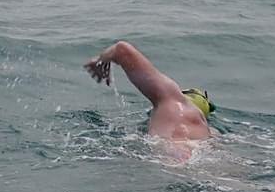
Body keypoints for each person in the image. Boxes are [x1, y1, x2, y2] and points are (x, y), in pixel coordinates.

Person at [84, 40, 214, 146]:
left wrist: (100, 61)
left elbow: (122, 50)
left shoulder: (172, 100)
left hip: (170, 163)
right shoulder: (209, 133)